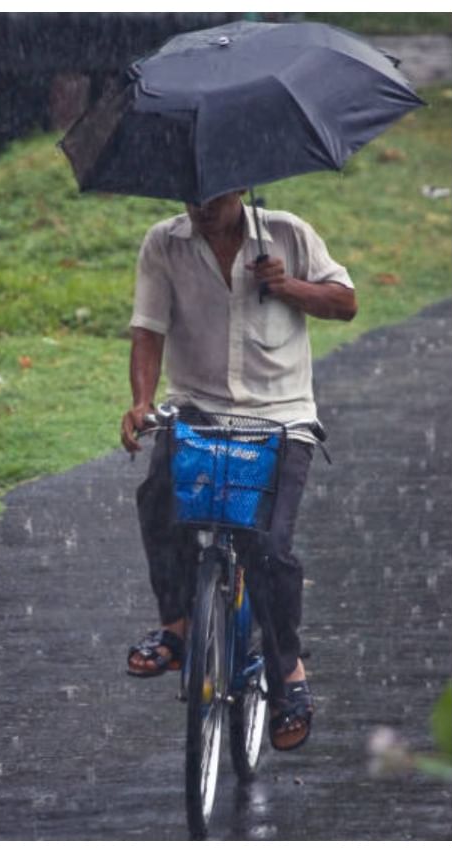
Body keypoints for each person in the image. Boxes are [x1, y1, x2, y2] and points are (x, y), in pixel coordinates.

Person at [120, 190, 357, 750]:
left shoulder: (289, 234)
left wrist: (287, 286)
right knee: (159, 497)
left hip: (282, 418)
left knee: (267, 547)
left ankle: (289, 675)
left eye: (215, 190)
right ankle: (177, 627)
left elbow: (345, 303)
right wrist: (140, 402)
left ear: (242, 183)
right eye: (191, 191)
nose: (202, 203)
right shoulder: (164, 243)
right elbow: (147, 329)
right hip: (197, 406)